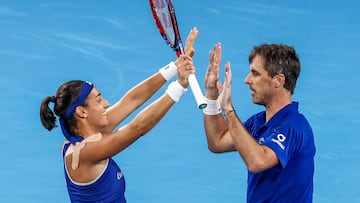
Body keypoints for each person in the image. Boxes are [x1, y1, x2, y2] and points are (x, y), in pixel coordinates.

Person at [39, 29, 199, 202]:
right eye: (99, 100)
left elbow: (131, 100)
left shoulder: (86, 134)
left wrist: (175, 67)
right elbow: (138, 127)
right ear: (82, 112)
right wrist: (179, 88)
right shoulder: (86, 152)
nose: (106, 103)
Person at [202, 43, 316, 202]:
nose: (247, 80)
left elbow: (258, 161)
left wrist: (228, 109)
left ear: (278, 80)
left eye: (255, 74)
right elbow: (217, 141)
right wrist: (211, 92)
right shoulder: (258, 122)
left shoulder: (293, 126)